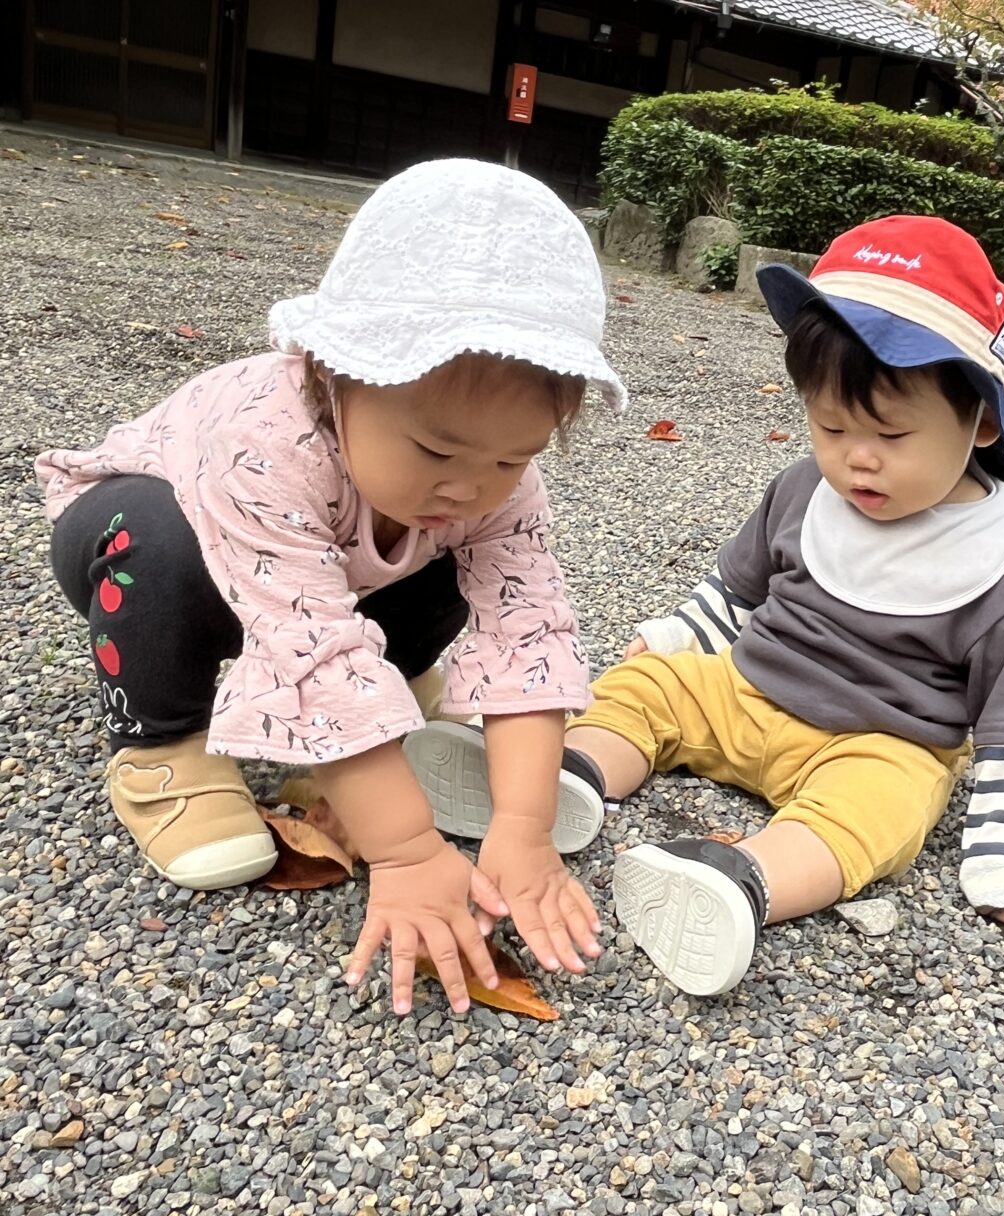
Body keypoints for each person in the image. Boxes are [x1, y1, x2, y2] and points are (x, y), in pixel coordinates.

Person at [405, 215, 1004, 999]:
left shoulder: (1001, 569)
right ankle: (567, 775)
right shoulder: (804, 490)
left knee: (882, 808)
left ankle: (744, 879)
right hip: (747, 689)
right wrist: (679, 636)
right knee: (647, 686)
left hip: (878, 740)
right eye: (830, 425)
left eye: (891, 435)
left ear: (980, 422)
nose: (857, 457)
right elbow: (736, 591)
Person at [36, 159, 625, 1018]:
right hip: (156, 546)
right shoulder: (264, 438)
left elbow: (525, 629)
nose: (472, 483)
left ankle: (382, 704)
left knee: (456, 547)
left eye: (512, 457)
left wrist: (524, 829)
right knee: (157, 543)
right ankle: (163, 747)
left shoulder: (489, 488)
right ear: (332, 373)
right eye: (436, 449)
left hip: (340, 569)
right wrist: (406, 848)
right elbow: (303, 637)